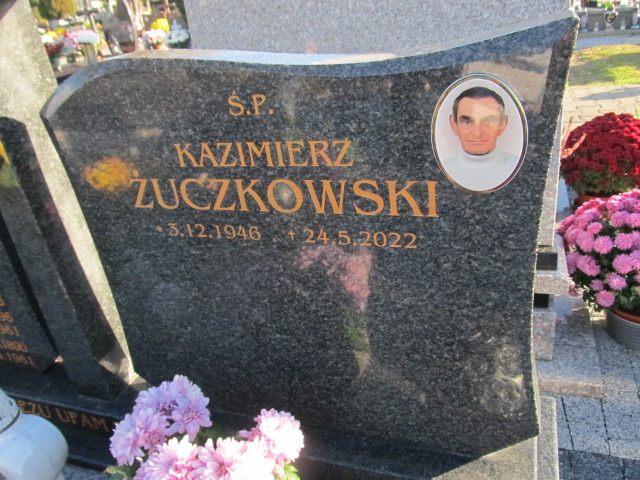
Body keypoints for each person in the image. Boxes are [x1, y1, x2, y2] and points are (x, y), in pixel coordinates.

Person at [442, 86, 520, 192]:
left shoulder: (517, 168)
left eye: (488, 121)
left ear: (502, 125)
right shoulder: (443, 169)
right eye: (467, 122)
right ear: (454, 125)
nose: (477, 133)